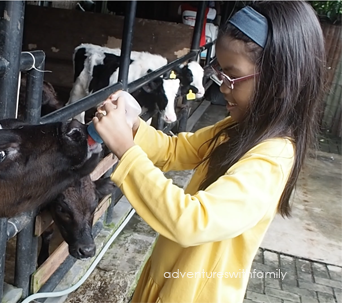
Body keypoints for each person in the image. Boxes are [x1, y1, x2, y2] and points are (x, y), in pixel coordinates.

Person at [91, 1, 326, 302]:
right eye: (220, 73)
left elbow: (192, 221)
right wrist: (133, 125)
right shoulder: (237, 128)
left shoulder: (272, 160)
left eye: (232, 76)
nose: (222, 88)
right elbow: (176, 149)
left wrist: (125, 148)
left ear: (280, 82)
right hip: (164, 283)